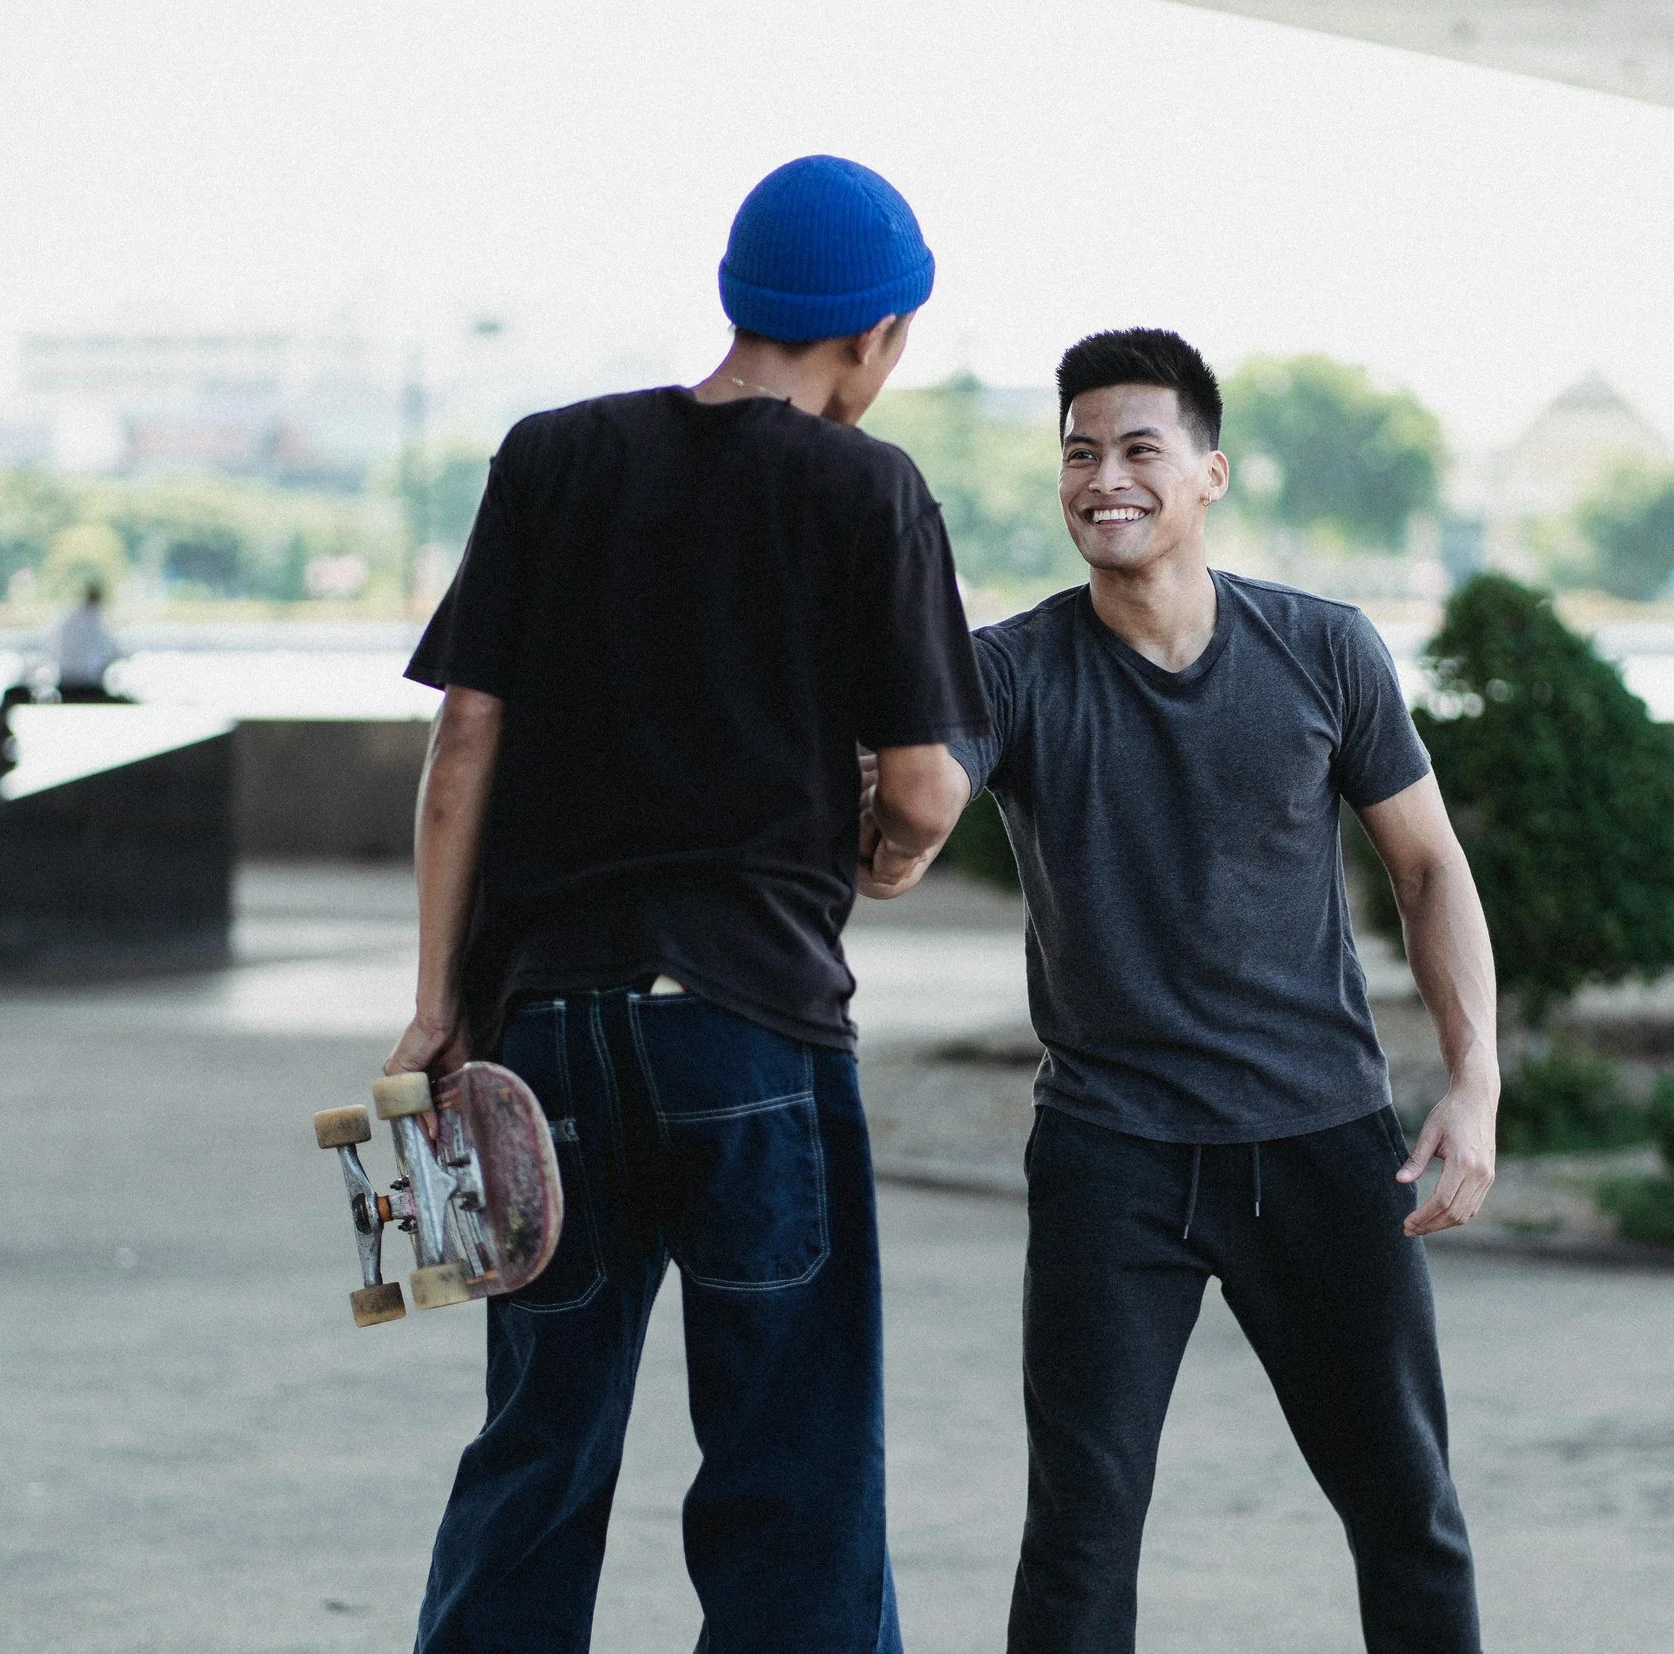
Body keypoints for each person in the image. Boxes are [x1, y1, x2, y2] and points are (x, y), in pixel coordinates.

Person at [387, 155, 985, 1654]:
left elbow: (463, 743)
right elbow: (924, 790)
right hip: (752, 1033)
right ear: (877, 332)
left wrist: (441, 1003)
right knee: (794, 1459)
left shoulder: (552, 456)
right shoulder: (868, 488)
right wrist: (883, 858)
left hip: (547, 1039)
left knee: (538, 1443)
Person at [946, 330, 1500, 1653]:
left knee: (1406, 1508)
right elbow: (908, 810)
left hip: (1321, 1140)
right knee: (1079, 1530)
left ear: (1210, 473)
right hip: (1110, 1153)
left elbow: (1428, 866)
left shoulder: (1322, 647)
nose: (1104, 478)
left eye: (1139, 449)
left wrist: (1475, 1079)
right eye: (1079, 453)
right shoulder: (1009, 669)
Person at [49, 580, 125, 701]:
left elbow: (53, 647)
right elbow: (110, 653)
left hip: (66, 683)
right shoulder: (98, 621)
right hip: (90, 685)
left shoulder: (68, 617)